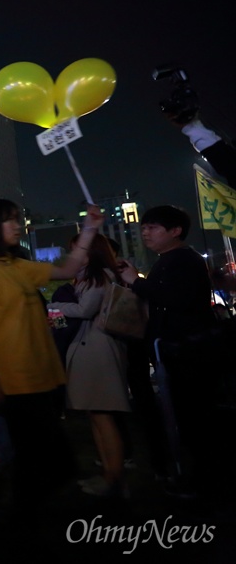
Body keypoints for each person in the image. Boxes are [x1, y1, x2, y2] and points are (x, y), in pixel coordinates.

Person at [0, 197, 103, 519]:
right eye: (8, 220)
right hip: (17, 380)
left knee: (43, 458)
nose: (17, 225)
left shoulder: (17, 266)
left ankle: (23, 516)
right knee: (44, 458)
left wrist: (89, 231)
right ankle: (21, 520)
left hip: (43, 376)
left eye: (17, 218)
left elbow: (67, 269)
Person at [118, 205, 217, 498]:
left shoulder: (183, 260)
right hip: (174, 351)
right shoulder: (167, 260)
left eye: (153, 227)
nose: (145, 231)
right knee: (184, 418)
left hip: (188, 352)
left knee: (194, 419)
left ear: (175, 231)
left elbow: (176, 299)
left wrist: (136, 282)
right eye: (144, 227)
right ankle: (194, 476)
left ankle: (204, 482)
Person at [47, 234, 131, 498]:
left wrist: (52, 307)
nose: (75, 255)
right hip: (88, 348)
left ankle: (114, 477)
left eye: (79, 250)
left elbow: (84, 310)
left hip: (97, 350)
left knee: (103, 416)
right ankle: (108, 472)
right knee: (96, 416)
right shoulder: (88, 277)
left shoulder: (100, 276)